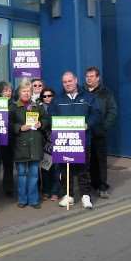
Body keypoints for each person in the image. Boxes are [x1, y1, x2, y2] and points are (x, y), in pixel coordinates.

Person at [49, 71, 99, 209]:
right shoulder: (58, 100)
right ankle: (68, 196)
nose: (67, 84)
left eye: (70, 81)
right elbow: (51, 115)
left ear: (76, 80)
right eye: (65, 82)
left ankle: (85, 196)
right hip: (64, 142)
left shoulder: (89, 98)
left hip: (83, 140)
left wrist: (88, 124)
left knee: (83, 170)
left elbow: (96, 114)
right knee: (66, 169)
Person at [10, 79, 49, 209]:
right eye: (24, 91)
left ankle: (33, 200)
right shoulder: (14, 107)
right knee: (21, 174)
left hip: (35, 144)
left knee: (33, 174)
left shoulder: (37, 106)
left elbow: (46, 119)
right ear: (19, 92)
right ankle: (22, 199)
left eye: (28, 91)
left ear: (31, 92)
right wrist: (19, 128)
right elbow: (8, 124)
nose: (26, 93)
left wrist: (41, 124)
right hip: (21, 145)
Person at [84, 66, 117, 198]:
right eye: (87, 76)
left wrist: (104, 127)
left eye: (91, 76)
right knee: (89, 160)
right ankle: (93, 183)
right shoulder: (82, 92)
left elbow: (113, 111)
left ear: (98, 78)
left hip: (99, 132)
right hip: (85, 132)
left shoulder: (106, 93)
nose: (89, 79)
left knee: (100, 159)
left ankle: (102, 186)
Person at [0, 81, 15, 197]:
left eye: (10, 91)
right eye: (5, 90)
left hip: (9, 139)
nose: (8, 93)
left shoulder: (14, 104)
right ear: (0, 92)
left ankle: (9, 188)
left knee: (8, 165)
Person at [39, 87, 61, 202]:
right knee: (45, 168)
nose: (47, 98)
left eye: (50, 95)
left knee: (56, 169)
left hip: (57, 141)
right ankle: (46, 191)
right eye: (45, 96)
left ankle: (55, 191)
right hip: (43, 142)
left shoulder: (58, 106)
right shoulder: (38, 108)